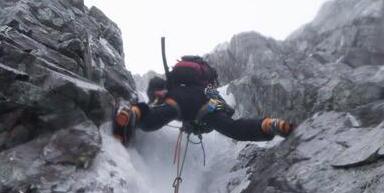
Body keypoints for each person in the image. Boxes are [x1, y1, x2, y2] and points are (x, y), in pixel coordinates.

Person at [113, 55, 295, 146]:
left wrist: (158, 98)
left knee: (158, 115)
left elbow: (156, 89)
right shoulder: (208, 88)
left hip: (176, 97)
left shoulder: (174, 83)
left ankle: (133, 113)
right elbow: (228, 112)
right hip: (204, 102)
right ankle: (267, 125)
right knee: (233, 128)